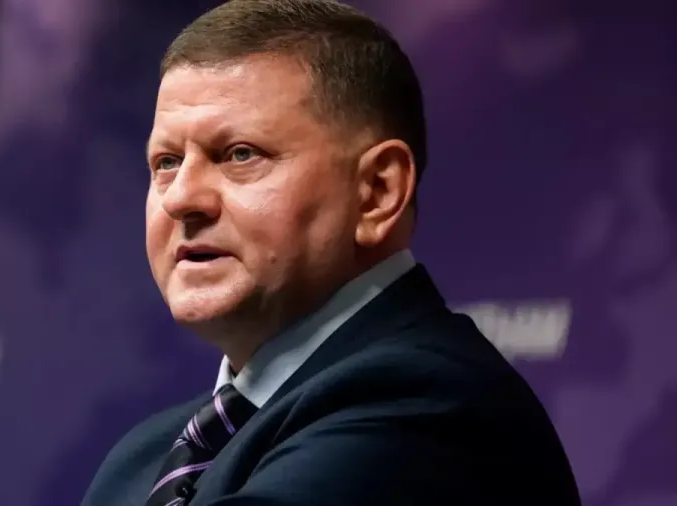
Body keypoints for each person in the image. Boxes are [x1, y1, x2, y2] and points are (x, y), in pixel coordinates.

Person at [82, 0, 582, 504]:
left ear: (377, 192)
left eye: (239, 154)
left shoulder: (429, 407)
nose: (181, 198)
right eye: (167, 162)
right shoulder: (142, 458)